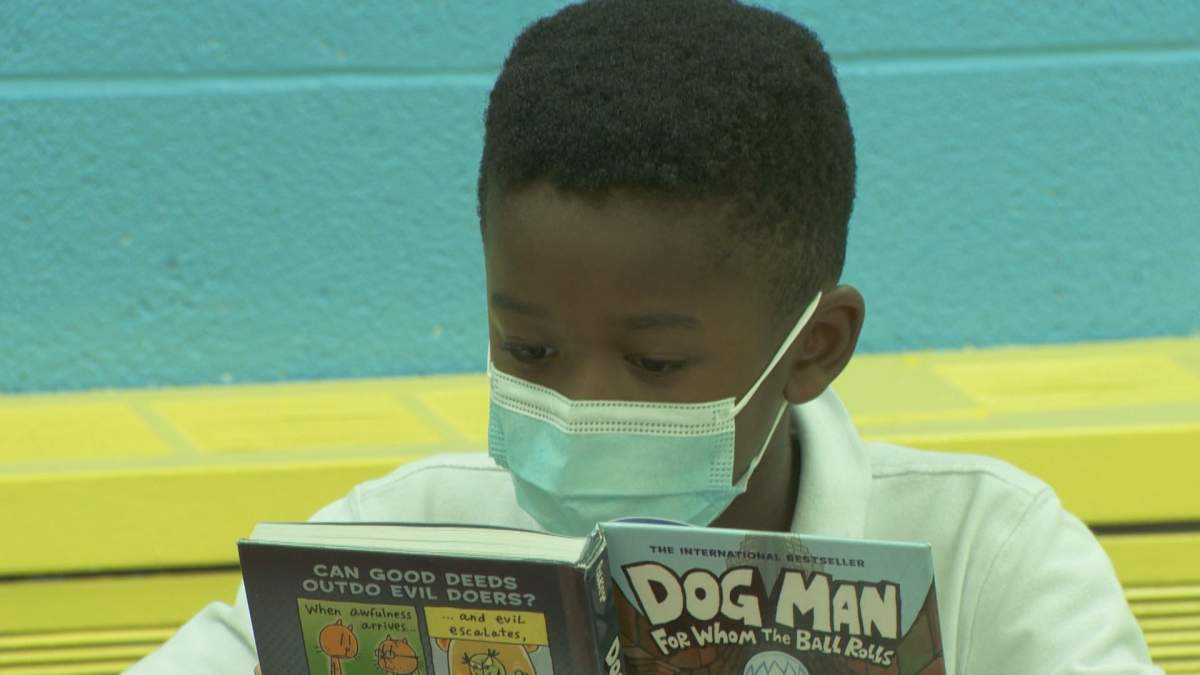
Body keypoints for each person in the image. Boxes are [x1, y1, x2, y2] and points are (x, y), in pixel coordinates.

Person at [129, 1, 1158, 673]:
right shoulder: (402, 537)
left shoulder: (990, 557)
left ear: (816, 346)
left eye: (656, 364)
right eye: (528, 351)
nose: (579, 407)